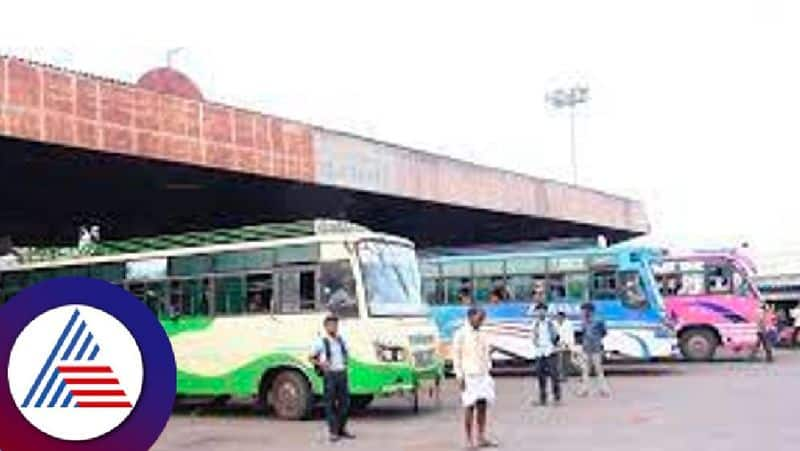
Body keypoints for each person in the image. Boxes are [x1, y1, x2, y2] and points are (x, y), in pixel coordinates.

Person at [453, 307, 498, 449]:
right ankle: (468, 439)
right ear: (470, 317)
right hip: (469, 375)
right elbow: (456, 356)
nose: (481, 321)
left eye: (483, 319)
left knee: (482, 406)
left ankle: (481, 437)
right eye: (479, 318)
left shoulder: (483, 333)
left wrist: (488, 366)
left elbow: (486, 351)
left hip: (483, 374)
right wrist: (459, 376)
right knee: (469, 407)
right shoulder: (460, 334)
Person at [310, 315, 355, 442]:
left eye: (335, 324)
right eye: (330, 325)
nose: (333, 327)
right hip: (330, 375)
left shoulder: (341, 340)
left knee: (345, 403)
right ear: (325, 327)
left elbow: (346, 353)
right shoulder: (321, 341)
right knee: (329, 404)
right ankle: (333, 432)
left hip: (342, 373)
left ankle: (342, 429)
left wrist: (346, 362)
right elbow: (311, 357)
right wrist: (322, 364)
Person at [531, 303, 561, 406]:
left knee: (554, 376)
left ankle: (556, 398)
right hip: (539, 353)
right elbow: (533, 337)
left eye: (543, 310)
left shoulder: (551, 323)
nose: (541, 313)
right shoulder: (535, 324)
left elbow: (557, 336)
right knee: (540, 376)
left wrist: (555, 345)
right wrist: (535, 343)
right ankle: (542, 398)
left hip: (550, 352)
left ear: (546, 312)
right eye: (539, 311)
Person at [577, 302, 610, 397]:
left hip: (596, 347)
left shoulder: (598, 320)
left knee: (598, 369)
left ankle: (604, 389)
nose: (582, 312)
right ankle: (584, 389)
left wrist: (597, 338)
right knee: (585, 369)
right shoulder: (583, 321)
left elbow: (604, 332)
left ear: (589, 311)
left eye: (583, 310)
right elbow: (583, 333)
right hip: (586, 347)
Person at [554, 311, 576, 383]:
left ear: (563, 317)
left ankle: (565, 376)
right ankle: (560, 376)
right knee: (559, 361)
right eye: (557, 317)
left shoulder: (568, 324)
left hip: (567, 344)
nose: (558, 319)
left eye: (559, 317)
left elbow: (569, 335)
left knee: (566, 361)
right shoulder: (555, 324)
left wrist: (566, 343)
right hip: (558, 344)